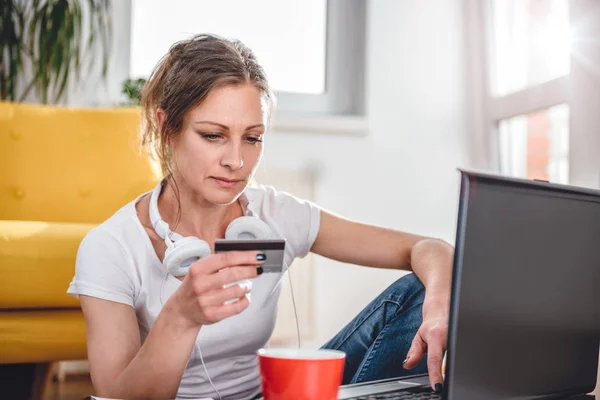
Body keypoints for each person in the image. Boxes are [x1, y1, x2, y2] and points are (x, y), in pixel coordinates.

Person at [67, 33, 454, 400]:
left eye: (252, 138)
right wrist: (180, 318)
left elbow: (427, 248)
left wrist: (438, 301)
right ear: (166, 127)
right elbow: (113, 398)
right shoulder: (111, 247)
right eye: (213, 135)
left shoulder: (272, 215)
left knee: (417, 290)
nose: (236, 161)